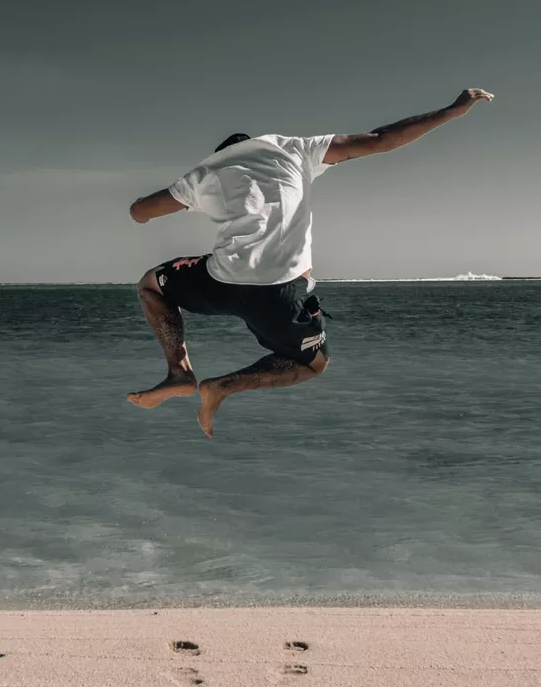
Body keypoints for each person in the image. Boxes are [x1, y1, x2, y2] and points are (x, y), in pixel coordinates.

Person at [127, 88, 494, 437]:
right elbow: (381, 139)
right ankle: (223, 386)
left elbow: (140, 212)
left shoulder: (205, 174)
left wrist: (187, 198)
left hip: (222, 281)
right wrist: (452, 111)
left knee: (151, 285)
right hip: (279, 291)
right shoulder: (294, 150)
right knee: (311, 365)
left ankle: (179, 372)